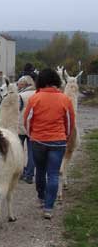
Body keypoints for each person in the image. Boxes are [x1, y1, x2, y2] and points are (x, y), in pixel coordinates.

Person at [24, 68, 75, 219]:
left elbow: (27, 120)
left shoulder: (35, 98)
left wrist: (31, 135)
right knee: (53, 174)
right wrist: (65, 136)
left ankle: (41, 197)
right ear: (56, 81)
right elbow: (70, 122)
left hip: (38, 141)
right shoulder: (65, 99)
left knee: (40, 171)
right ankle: (48, 208)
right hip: (58, 142)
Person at [17, 75, 36, 184]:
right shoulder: (37, 94)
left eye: (19, 83)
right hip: (32, 127)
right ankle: (29, 175)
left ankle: (20, 172)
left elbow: (17, 110)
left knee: (19, 151)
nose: (18, 85)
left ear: (23, 84)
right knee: (31, 152)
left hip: (20, 126)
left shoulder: (20, 95)